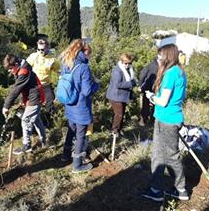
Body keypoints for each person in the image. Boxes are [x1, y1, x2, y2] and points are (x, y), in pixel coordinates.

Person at [141, 44, 189, 202]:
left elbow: (162, 101)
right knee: (171, 155)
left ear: (168, 56)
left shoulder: (170, 74)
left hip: (166, 121)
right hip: (174, 118)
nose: (158, 58)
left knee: (160, 156)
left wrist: (151, 97)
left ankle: (158, 190)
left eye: (161, 55)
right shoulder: (180, 72)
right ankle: (179, 189)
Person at [60, 39, 99, 173]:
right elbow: (87, 91)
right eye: (89, 53)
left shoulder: (66, 63)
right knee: (81, 135)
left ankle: (65, 155)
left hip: (69, 103)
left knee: (71, 130)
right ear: (83, 51)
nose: (89, 56)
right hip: (81, 107)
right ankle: (77, 165)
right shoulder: (83, 67)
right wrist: (96, 85)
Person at [2, 54, 46, 155]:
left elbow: (16, 89)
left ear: (16, 64)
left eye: (10, 68)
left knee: (25, 121)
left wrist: (6, 106)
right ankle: (44, 142)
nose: (9, 71)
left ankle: (27, 145)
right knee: (37, 120)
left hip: (35, 98)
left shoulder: (24, 71)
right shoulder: (23, 67)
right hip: (34, 97)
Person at [26, 39, 60, 117]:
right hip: (34, 85)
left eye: (42, 49)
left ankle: (50, 121)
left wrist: (61, 83)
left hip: (46, 85)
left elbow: (59, 71)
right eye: (38, 49)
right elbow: (25, 67)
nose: (40, 51)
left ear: (48, 48)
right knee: (33, 104)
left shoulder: (52, 59)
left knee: (50, 102)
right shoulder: (34, 56)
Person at [106, 54, 136, 137]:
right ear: (122, 62)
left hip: (123, 96)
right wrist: (131, 84)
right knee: (119, 114)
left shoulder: (129, 69)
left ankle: (119, 129)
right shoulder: (117, 70)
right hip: (116, 96)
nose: (127, 65)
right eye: (125, 63)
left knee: (121, 114)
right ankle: (114, 131)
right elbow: (118, 84)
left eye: (129, 63)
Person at [138, 54, 159, 126]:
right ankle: (144, 120)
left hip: (156, 88)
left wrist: (140, 85)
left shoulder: (151, 65)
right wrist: (140, 85)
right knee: (147, 105)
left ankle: (148, 120)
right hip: (149, 88)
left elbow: (142, 75)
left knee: (152, 105)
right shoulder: (151, 65)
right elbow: (142, 75)